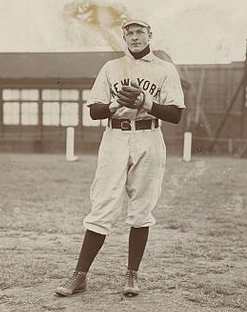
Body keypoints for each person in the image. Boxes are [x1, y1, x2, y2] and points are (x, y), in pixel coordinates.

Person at [55, 18, 185, 297]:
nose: (135, 37)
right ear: (124, 38)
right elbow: (94, 111)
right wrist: (117, 103)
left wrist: (145, 103)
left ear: (150, 35)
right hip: (115, 136)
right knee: (102, 204)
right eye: (130, 33)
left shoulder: (165, 69)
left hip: (149, 137)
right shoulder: (111, 68)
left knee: (141, 208)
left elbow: (175, 114)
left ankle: (131, 276)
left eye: (140, 32)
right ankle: (79, 276)